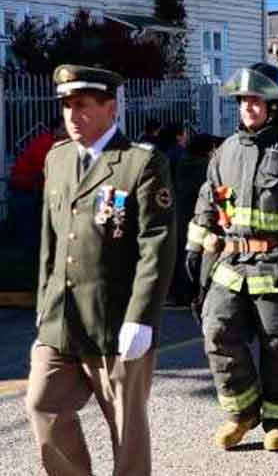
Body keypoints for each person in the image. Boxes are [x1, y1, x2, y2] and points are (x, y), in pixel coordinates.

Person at [25, 65, 176, 476]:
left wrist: (141, 318)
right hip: (62, 318)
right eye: (67, 106)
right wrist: (44, 300)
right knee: (42, 404)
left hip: (115, 321)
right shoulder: (57, 159)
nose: (72, 115)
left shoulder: (139, 163)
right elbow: (50, 238)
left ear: (110, 108)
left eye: (83, 106)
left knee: (126, 430)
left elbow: (156, 245)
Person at [184, 63, 278, 452]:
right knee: (216, 331)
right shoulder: (225, 151)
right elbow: (210, 203)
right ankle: (242, 412)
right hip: (231, 267)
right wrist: (195, 249)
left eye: (256, 100)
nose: (248, 107)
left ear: (276, 105)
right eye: (244, 100)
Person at [168, 133, 221, 307]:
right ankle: (192, 293)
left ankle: (179, 294)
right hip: (197, 217)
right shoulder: (205, 167)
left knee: (181, 256)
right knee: (195, 257)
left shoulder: (184, 161)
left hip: (180, 214)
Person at [9, 117, 67, 252]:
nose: (67, 132)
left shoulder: (57, 143)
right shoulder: (46, 143)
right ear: (55, 130)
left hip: (32, 186)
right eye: (64, 129)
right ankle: (31, 254)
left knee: (33, 222)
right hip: (24, 186)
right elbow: (45, 169)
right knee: (29, 223)